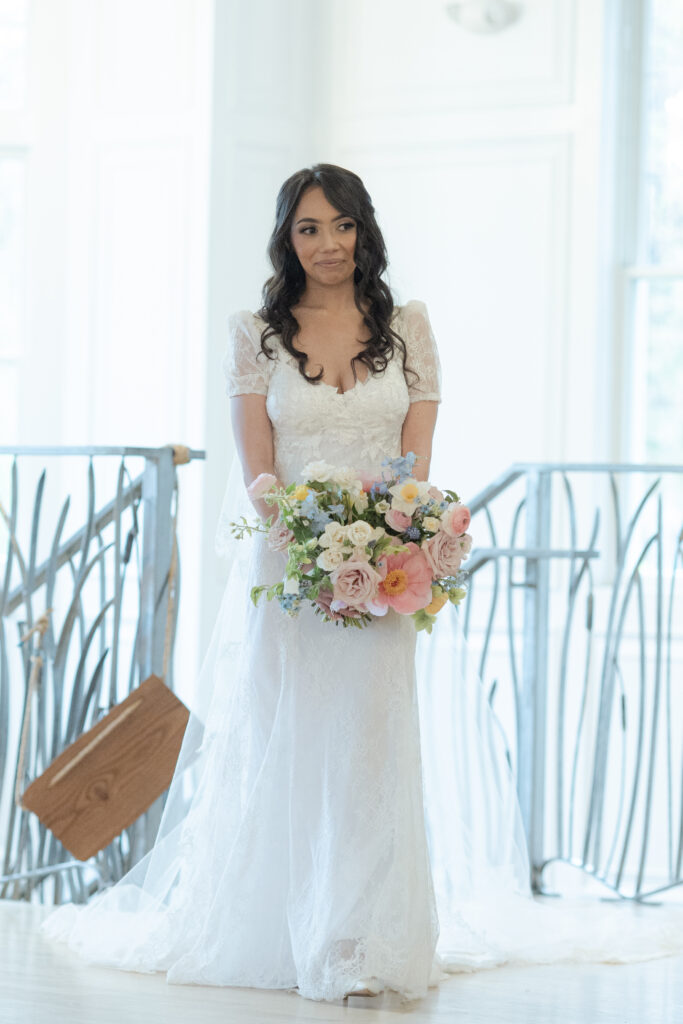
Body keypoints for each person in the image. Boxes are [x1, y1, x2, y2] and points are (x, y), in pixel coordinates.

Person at [40, 163, 683, 1004]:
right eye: (309, 228)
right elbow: (258, 469)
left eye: (341, 226)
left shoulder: (406, 326)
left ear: (363, 230)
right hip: (291, 567)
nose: (327, 244)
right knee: (292, 743)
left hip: (384, 567)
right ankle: (281, 928)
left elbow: (415, 459)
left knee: (371, 751)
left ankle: (358, 942)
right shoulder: (255, 333)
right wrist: (305, 542)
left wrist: (388, 538)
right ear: (287, 237)